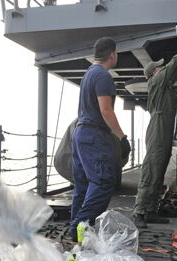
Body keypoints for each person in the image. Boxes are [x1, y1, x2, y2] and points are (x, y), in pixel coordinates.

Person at [132, 34, 177, 228]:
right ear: (154, 72)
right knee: (151, 170)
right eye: (158, 66)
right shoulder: (156, 82)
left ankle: (151, 211)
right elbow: (172, 65)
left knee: (159, 170)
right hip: (158, 126)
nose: (161, 67)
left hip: (164, 125)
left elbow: (176, 68)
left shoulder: (164, 84)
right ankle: (139, 211)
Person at [69, 37, 131, 240]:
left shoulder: (88, 74)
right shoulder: (103, 76)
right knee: (103, 181)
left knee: (83, 186)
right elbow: (106, 110)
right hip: (94, 135)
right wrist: (122, 138)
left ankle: (76, 232)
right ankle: (80, 227)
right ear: (112, 54)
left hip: (80, 134)